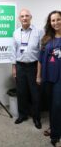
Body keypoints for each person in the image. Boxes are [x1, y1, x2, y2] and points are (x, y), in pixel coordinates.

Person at [11, 9, 43, 129]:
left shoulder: (38, 32)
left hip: (33, 66)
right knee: (21, 92)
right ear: (19, 18)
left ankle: (36, 117)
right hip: (20, 66)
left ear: (31, 17)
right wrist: (13, 68)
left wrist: (39, 73)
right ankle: (22, 115)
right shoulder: (15, 33)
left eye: (27, 16)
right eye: (22, 16)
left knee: (35, 94)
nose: (24, 18)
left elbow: (41, 52)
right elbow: (13, 51)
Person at [37, 10, 61, 146]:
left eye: (58, 19)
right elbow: (40, 59)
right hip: (47, 76)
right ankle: (54, 127)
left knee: (57, 105)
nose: (56, 22)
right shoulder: (46, 38)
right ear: (50, 23)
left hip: (59, 78)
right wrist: (39, 75)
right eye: (53, 20)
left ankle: (55, 136)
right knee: (51, 105)